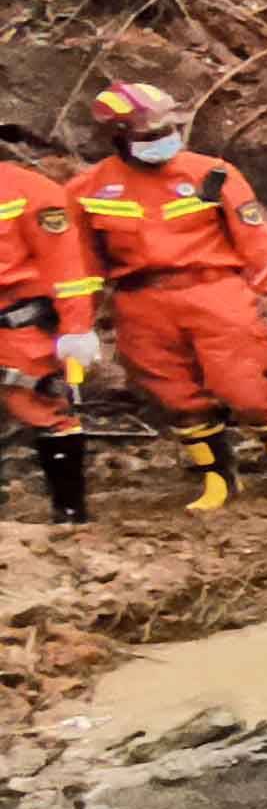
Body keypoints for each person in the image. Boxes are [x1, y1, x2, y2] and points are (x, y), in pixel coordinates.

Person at [69, 79, 267, 508]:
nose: (163, 141)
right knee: (176, 395)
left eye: (168, 130)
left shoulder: (211, 175)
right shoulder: (87, 192)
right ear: (118, 138)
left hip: (216, 292)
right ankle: (217, 480)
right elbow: (81, 266)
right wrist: (76, 326)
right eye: (149, 134)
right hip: (140, 302)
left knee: (245, 387)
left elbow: (258, 241)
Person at [0, 124, 96, 524]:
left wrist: (76, 327)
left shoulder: (30, 191)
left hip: (16, 324)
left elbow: (67, 268)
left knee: (46, 408)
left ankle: (69, 513)